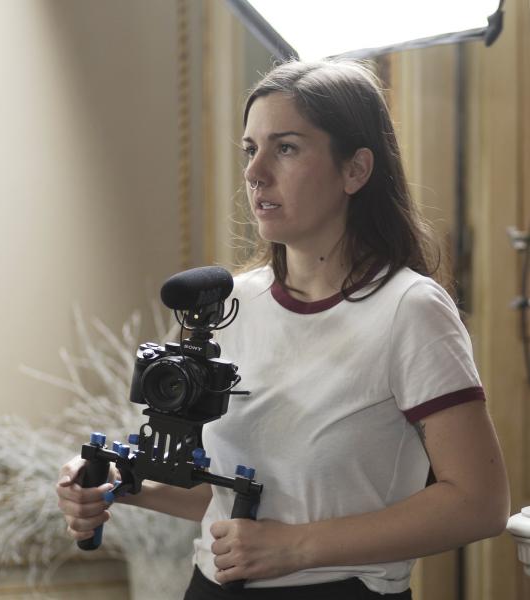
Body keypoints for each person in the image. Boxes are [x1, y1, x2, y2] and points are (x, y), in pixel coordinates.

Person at [56, 59, 510, 599]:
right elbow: (239, 495)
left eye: (286, 148)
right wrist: (120, 485)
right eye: (250, 149)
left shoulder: (410, 309)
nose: (255, 172)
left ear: (355, 170)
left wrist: (295, 547)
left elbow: (478, 503)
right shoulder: (228, 305)